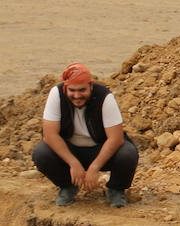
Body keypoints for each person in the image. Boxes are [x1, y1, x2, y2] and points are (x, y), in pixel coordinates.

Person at [31, 62, 138, 208]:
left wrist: (94, 168)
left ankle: (116, 189)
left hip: (100, 149)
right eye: (72, 90)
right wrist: (73, 163)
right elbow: (50, 135)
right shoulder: (56, 94)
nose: (77, 95)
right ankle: (68, 186)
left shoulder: (105, 97)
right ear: (65, 88)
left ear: (91, 86)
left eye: (82, 90)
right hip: (71, 150)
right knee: (41, 153)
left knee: (128, 153)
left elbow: (116, 138)